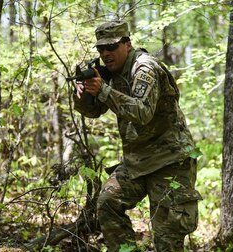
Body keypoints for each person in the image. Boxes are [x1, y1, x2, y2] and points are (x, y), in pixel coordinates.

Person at [73, 20, 202, 252]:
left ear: (127, 44)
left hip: (169, 160)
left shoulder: (144, 68)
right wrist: (84, 93)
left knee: (167, 238)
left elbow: (142, 112)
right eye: (100, 49)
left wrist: (103, 89)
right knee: (108, 203)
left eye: (111, 47)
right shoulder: (112, 73)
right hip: (137, 162)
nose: (105, 53)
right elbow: (93, 112)